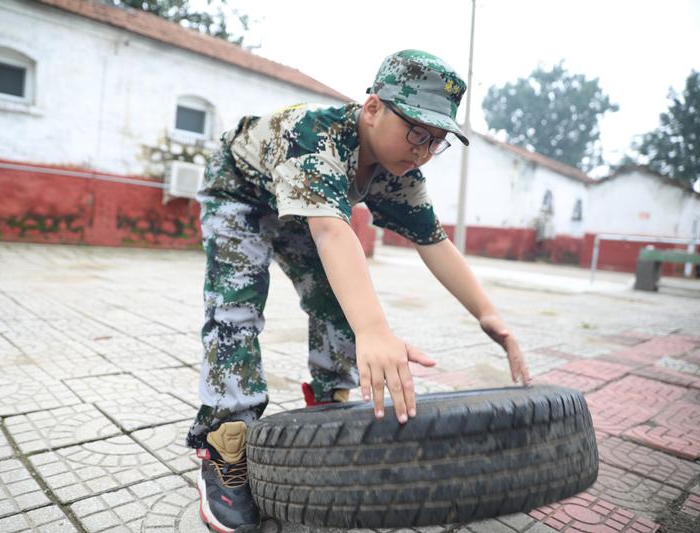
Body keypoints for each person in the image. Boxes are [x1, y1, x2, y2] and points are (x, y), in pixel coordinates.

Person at [186, 49, 532, 533]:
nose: (424, 149)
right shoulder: (316, 136)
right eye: (416, 130)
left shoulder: (401, 173)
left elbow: (434, 242)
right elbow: (332, 233)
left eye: (436, 140)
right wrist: (374, 329)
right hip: (240, 195)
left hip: (301, 208)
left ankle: (330, 409)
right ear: (372, 108)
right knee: (236, 310)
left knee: (339, 303)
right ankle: (223, 443)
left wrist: (488, 314)